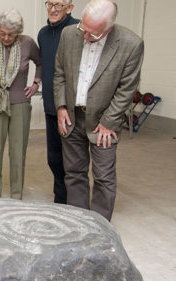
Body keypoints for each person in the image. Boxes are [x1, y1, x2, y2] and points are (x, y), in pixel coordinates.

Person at [54, 0, 144, 221]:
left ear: (109, 28)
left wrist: (110, 121)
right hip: (72, 116)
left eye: (92, 34)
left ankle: (100, 228)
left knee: (103, 177)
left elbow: (127, 88)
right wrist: (61, 106)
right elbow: (59, 74)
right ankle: (80, 222)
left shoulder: (131, 44)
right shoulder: (68, 34)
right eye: (83, 29)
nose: (85, 37)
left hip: (104, 121)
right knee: (74, 173)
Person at [0, 9, 42, 199]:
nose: (6, 37)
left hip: (20, 103)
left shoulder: (28, 43)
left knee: (18, 151)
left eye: (11, 34)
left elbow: (41, 62)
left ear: (18, 32)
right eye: (2, 33)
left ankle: (16, 195)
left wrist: (35, 84)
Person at [37, 0, 79, 204]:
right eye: (50, 4)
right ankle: (60, 200)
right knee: (54, 159)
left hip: (72, 108)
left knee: (73, 161)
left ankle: (75, 203)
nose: (53, 9)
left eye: (58, 5)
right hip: (50, 107)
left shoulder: (79, 29)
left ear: (70, 7)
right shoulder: (43, 34)